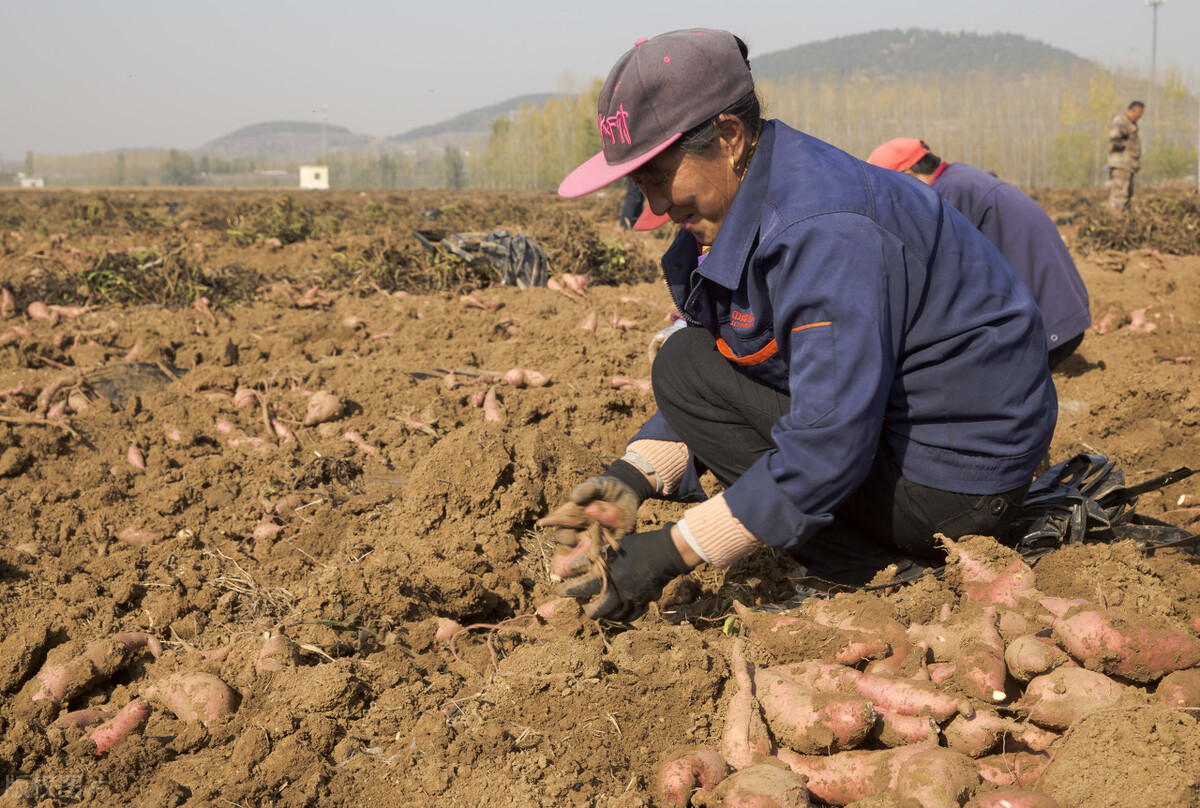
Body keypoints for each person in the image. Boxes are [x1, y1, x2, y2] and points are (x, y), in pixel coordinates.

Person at [542, 29, 1057, 622]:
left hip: (954, 483)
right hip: (921, 445)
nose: (656, 207)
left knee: (683, 366)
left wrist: (671, 550)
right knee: (686, 363)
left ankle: (868, 569)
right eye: (641, 185)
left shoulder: (823, 230)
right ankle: (866, 551)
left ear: (730, 138)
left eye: (660, 176)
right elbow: (736, 359)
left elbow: (829, 441)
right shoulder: (764, 196)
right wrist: (630, 478)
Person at [867, 138, 1091, 369]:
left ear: (907, 175)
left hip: (1047, 332)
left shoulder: (947, 196)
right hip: (1064, 315)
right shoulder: (960, 179)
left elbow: (938, 277)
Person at [1107, 101, 1143, 213]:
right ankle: (1116, 221)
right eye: (1140, 114)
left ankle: (1123, 219)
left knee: (1127, 194)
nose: (1140, 117)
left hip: (1128, 165)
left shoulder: (1130, 122)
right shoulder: (1121, 120)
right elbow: (1115, 137)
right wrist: (1118, 146)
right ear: (1134, 111)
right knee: (1119, 195)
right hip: (1121, 164)